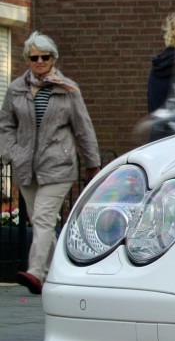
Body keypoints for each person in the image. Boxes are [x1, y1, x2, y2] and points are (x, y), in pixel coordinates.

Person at [0, 32, 100, 295]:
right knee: (42, 223)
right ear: (27, 61)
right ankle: (63, 274)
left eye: (45, 57)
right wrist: (11, 153)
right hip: (26, 168)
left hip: (58, 166)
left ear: (53, 58)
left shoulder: (68, 89)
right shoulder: (16, 89)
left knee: (43, 219)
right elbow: (5, 125)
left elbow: (83, 128)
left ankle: (36, 273)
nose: (40, 61)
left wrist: (93, 163)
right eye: (34, 57)